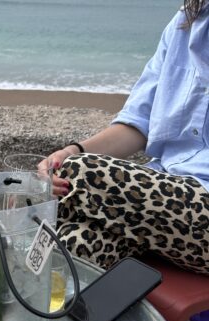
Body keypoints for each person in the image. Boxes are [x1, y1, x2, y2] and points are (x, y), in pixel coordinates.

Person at [40, 0, 209, 275]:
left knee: (79, 173)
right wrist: (71, 151)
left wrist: (75, 164)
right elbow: (138, 124)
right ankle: (32, 295)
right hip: (164, 197)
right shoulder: (186, 22)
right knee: (74, 243)